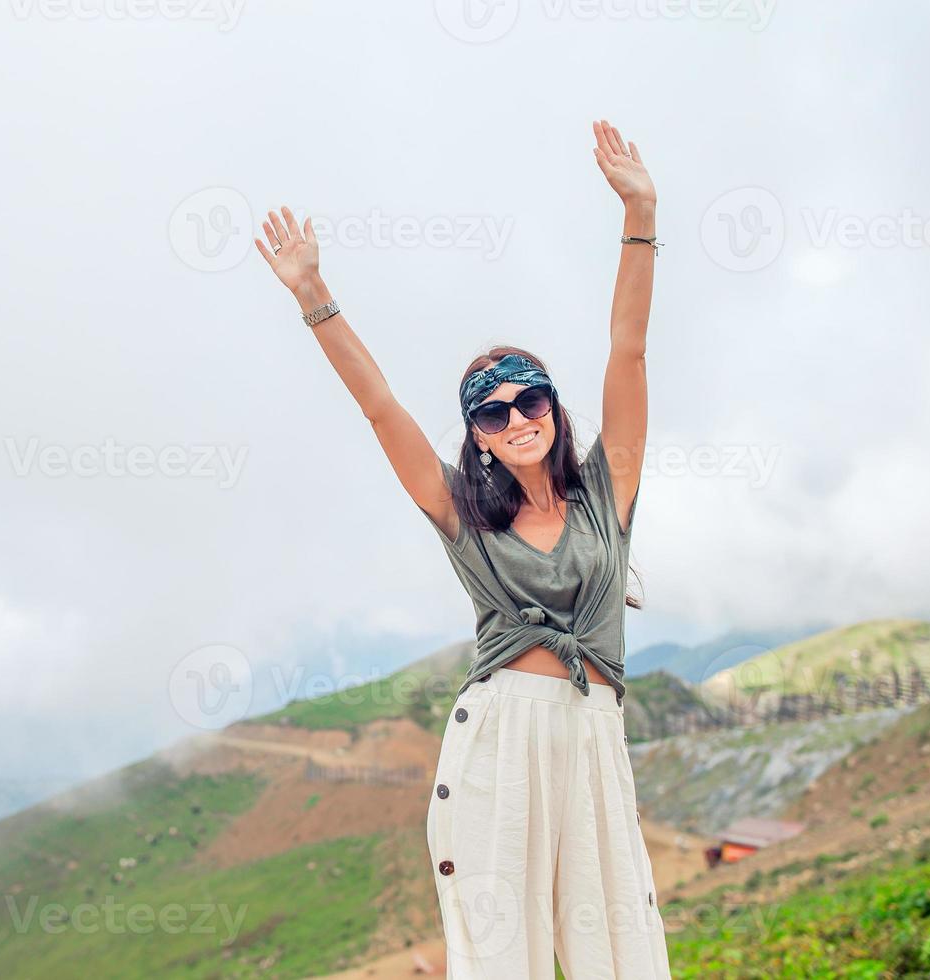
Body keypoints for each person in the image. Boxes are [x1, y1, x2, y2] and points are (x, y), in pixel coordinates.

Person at [254, 120, 671, 977]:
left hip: (593, 733)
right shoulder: (463, 514)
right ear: (477, 435)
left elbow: (627, 348)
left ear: (552, 408)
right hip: (501, 736)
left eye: (531, 401)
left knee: (618, 949)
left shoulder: (606, 494)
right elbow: (380, 408)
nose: (516, 419)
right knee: (499, 955)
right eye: (492, 412)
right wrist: (312, 294)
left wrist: (640, 211)